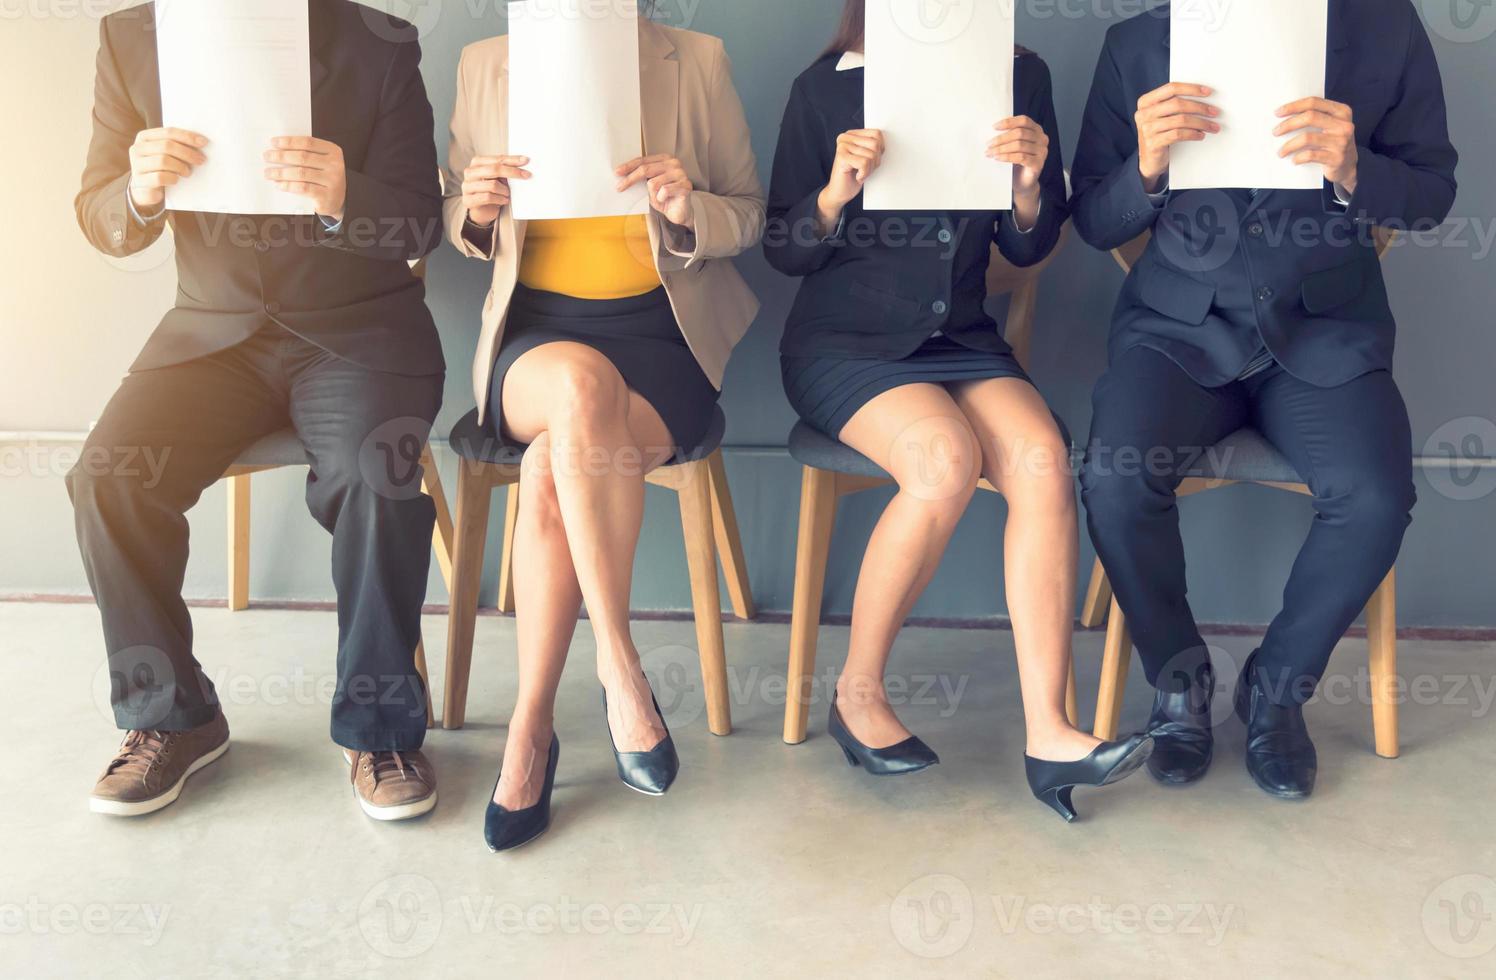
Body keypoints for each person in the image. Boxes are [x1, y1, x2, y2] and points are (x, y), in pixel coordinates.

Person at [763, 0, 1153, 823]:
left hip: (961, 336)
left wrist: (1027, 186)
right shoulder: (824, 88)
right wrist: (834, 194)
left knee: (1044, 461)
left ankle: (1050, 732)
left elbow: (1030, 246)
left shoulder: (1021, 75)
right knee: (943, 462)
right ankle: (856, 693)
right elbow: (784, 248)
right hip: (845, 343)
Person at [1071, 0, 1457, 799]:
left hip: (1324, 332)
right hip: (1174, 330)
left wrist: (1355, 169)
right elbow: (1093, 220)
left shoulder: (1386, 29)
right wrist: (1145, 167)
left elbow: (1431, 194)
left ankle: (1275, 690)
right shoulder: (1136, 42)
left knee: (1378, 496)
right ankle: (1180, 686)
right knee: (1112, 474)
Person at [71, 0, 446, 820]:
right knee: (106, 477)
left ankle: (380, 729)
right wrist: (138, 191)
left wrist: (349, 192)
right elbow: (99, 214)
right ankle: (173, 718)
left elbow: (423, 219)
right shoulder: (130, 36)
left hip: (361, 332)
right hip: (211, 337)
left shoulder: (379, 40)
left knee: (376, 476)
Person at [443, 7, 765, 850]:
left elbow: (750, 214)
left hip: (665, 339)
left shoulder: (696, 57)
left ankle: (531, 731)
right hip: (536, 340)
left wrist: (687, 205)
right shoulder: (486, 62)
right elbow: (457, 223)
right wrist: (475, 210)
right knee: (579, 390)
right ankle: (621, 668)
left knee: (555, 462)